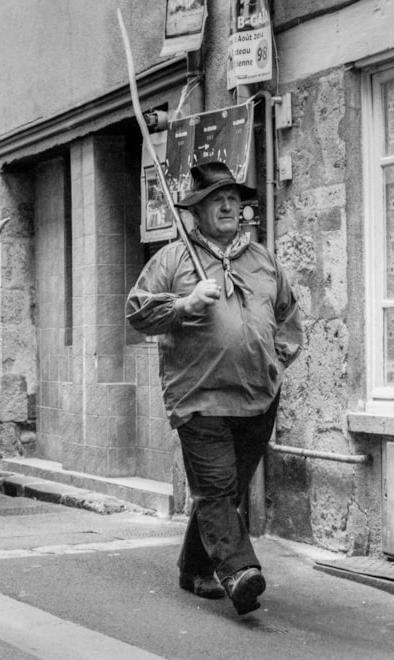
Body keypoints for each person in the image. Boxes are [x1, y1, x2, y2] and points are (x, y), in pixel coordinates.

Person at [126, 161, 303, 616]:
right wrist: (184, 303)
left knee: (224, 491)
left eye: (233, 198)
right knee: (218, 486)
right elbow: (137, 311)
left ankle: (193, 566)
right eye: (215, 200)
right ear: (195, 212)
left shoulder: (262, 260)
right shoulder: (173, 259)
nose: (228, 205)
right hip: (199, 397)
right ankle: (240, 571)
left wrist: (274, 362)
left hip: (257, 398)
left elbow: (288, 317)